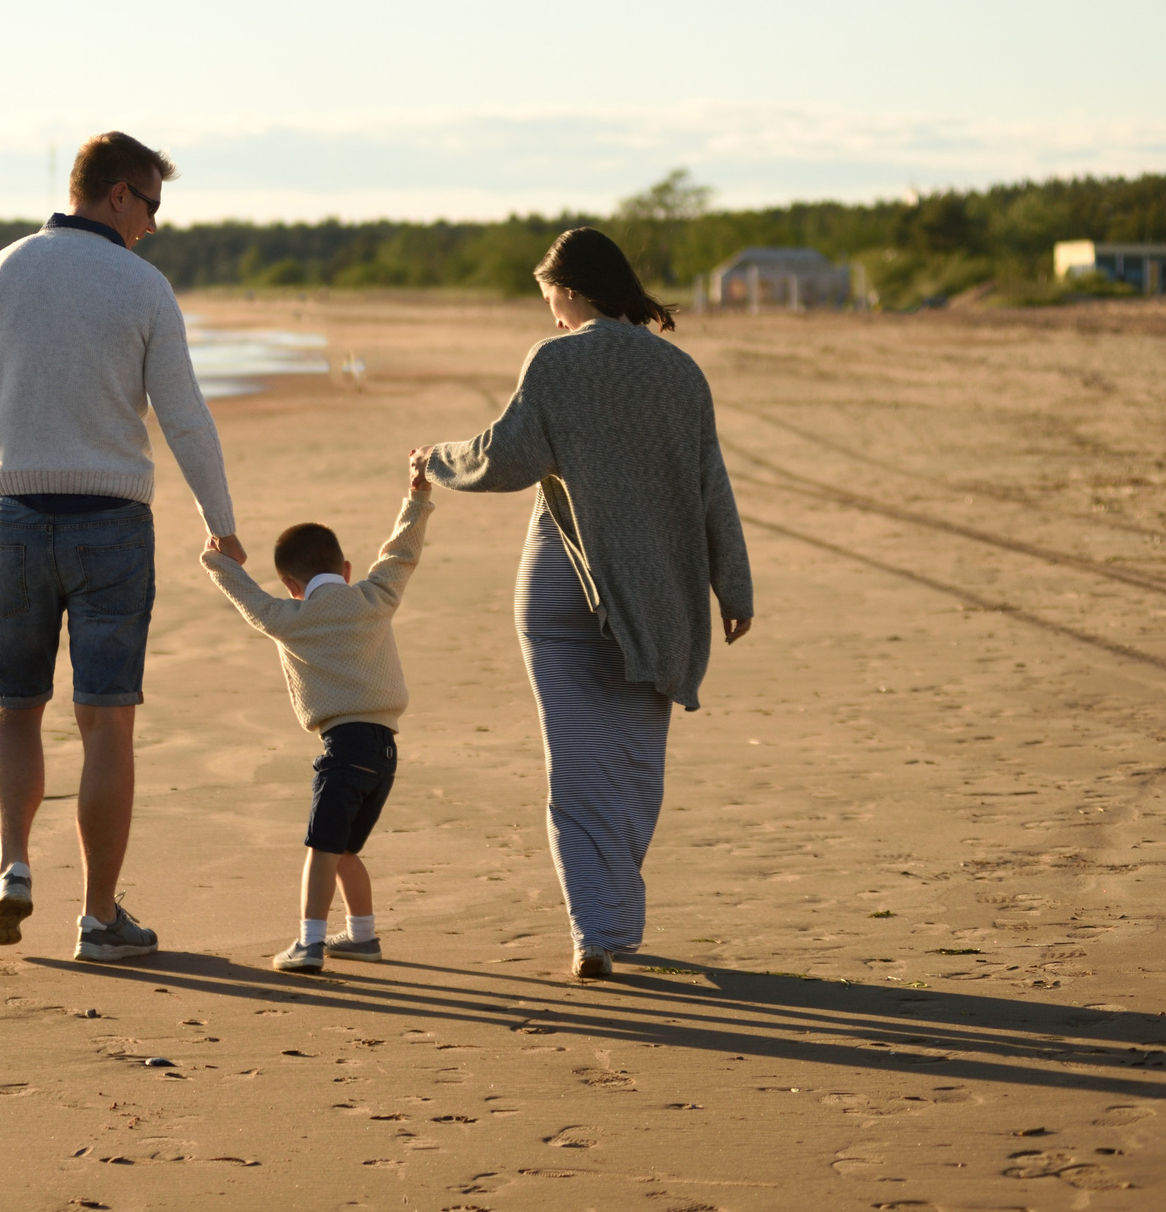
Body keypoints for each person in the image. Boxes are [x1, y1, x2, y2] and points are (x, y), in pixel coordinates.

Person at [413, 227, 755, 981]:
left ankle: (595, 932)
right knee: (633, 761)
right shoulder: (679, 371)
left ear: (567, 288)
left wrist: (435, 459)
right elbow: (711, 486)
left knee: (573, 766)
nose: (552, 318)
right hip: (660, 593)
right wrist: (734, 585)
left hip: (560, 591)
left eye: (550, 302)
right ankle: (611, 917)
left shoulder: (555, 360)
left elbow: (506, 457)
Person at [0, 131, 241, 962]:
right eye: (151, 206)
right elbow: (183, 415)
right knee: (107, 723)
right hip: (112, 520)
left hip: (17, 517)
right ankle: (100, 917)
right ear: (114, 194)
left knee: (14, 702)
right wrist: (221, 518)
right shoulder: (142, 285)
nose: (153, 225)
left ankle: (12, 866)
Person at [201, 458, 432, 973]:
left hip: (344, 748)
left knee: (323, 849)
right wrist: (416, 498)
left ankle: (308, 943)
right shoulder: (375, 597)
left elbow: (243, 594)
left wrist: (219, 556)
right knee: (346, 847)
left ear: (289, 583)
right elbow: (401, 552)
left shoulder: (288, 617)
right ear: (346, 570)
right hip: (386, 751)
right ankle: (363, 936)